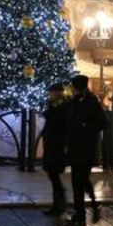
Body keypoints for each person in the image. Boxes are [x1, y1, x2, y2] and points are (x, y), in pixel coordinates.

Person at [64, 74, 106, 226]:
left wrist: (86, 126)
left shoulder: (91, 101)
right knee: (78, 181)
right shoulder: (75, 101)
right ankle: (85, 210)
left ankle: (86, 209)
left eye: (74, 86)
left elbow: (102, 122)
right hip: (75, 146)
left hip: (87, 147)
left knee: (80, 179)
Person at [41, 83, 71, 216]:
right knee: (52, 174)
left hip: (57, 144)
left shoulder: (62, 106)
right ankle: (57, 204)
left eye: (52, 92)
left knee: (54, 174)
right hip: (51, 143)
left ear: (58, 93)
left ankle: (59, 204)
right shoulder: (53, 105)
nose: (50, 95)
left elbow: (58, 122)